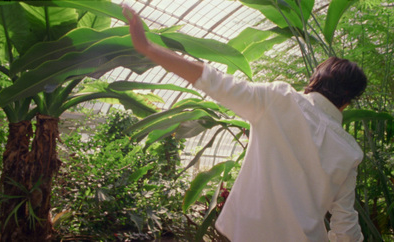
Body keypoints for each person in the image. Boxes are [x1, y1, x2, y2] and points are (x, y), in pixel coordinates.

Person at [122, 5, 367, 242]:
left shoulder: (278, 99)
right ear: (347, 101)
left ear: (315, 79)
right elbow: (345, 221)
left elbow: (214, 81)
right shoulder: (350, 151)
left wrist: (149, 48)